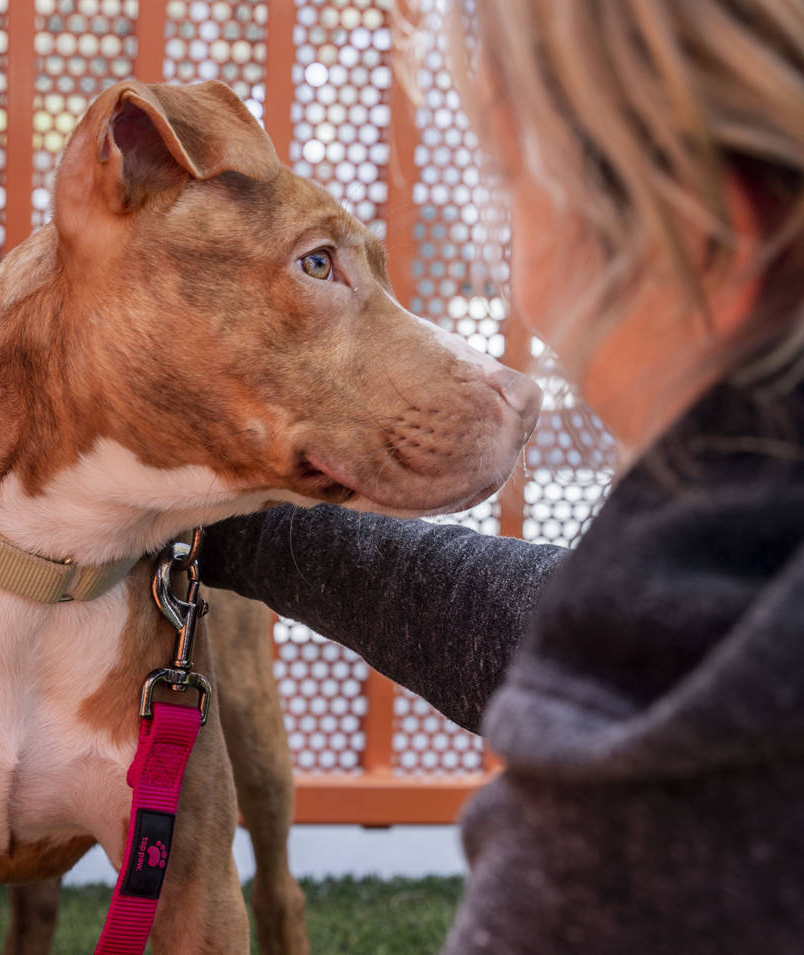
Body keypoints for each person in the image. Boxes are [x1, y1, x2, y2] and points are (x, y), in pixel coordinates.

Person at [198, 3, 804, 952]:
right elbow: (589, 629)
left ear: (702, 237)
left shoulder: (641, 821)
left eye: (516, 190)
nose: (514, 260)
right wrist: (238, 526)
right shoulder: (742, 568)